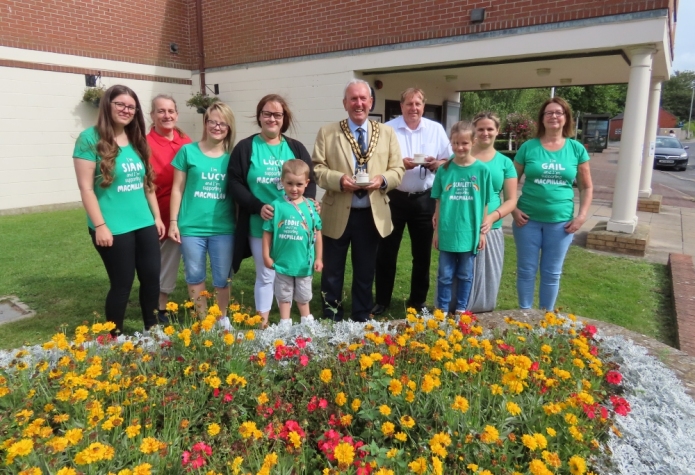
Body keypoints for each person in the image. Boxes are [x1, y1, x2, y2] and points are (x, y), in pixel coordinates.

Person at [72, 84, 165, 335]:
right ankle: (114, 337)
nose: (126, 110)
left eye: (131, 107)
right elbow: (86, 189)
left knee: (151, 279)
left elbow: (148, 184)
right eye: (120, 104)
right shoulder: (89, 139)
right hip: (112, 226)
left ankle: (152, 329)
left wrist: (156, 217)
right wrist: (100, 226)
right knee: (122, 284)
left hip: (143, 223)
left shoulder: (136, 140)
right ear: (107, 105)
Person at [312, 79, 404, 322]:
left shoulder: (386, 133)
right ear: (345, 103)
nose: (359, 103)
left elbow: (398, 169)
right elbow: (317, 169)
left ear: (371, 102)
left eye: (363, 98)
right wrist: (339, 179)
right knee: (332, 271)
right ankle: (332, 315)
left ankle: (361, 315)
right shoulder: (328, 132)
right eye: (353, 99)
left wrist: (383, 180)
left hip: (371, 214)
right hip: (337, 211)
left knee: (365, 271)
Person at [228, 94, 316, 327]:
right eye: (266, 113)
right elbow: (234, 182)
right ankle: (263, 322)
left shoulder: (295, 147)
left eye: (277, 114)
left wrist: (308, 205)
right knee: (267, 273)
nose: (271, 118)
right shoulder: (246, 147)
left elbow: (310, 180)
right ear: (259, 116)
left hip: (292, 228)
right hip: (260, 223)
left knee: (290, 272)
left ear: (284, 118)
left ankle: (291, 319)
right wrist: (257, 206)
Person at [372, 88, 451, 316]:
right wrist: (399, 165)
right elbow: (377, 162)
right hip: (394, 197)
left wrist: (437, 163)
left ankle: (418, 301)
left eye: (418, 104)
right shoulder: (388, 128)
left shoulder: (435, 129)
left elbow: (449, 158)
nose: (413, 108)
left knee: (422, 255)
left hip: (424, 199)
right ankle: (382, 301)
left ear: (423, 106)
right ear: (402, 105)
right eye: (409, 103)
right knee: (386, 252)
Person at [512, 97, 593, 310]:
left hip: (561, 223)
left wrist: (582, 216)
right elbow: (510, 182)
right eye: (549, 113)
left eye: (558, 112)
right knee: (526, 270)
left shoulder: (576, 149)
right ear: (542, 118)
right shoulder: (528, 147)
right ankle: (525, 316)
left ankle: (547, 319)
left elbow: (586, 187)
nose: (554, 116)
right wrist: (514, 209)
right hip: (526, 221)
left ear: (566, 118)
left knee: (552, 272)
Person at [169, 102, 236, 327]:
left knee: (222, 278)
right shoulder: (188, 151)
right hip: (191, 227)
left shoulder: (233, 157)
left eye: (222, 123)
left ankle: (222, 319)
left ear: (229, 127)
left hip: (223, 227)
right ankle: (203, 321)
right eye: (212, 122)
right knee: (195, 276)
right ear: (205, 123)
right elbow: (177, 189)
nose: (217, 127)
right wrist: (173, 222)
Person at [431, 121, 492, 313]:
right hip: (448, 231)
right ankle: (441, 308)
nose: (459, 147)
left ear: (473, 142)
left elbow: (484, 202)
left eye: (464, 143)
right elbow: (439, 201)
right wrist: (436, 231)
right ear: (451, 143)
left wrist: (482, 233)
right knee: (445, 275)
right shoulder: (444, 170)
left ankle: (461, 309)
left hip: (470, 232)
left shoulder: (482, 170)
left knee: (465, 274)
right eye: (455, 143)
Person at [465, 112, 518, 313]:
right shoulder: (460, 156)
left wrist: (492, 216)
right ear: (474, 131)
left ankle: (482, 315)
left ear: (497, 131)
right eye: (480, 129)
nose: (485, 133)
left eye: (490, 129)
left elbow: (511, 200)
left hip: (490, 228)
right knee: (457, 274)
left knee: (487, 276)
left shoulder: (505, 163)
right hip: (462, 227)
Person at [147, 94, 192, 323]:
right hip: (159, 213)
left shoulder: (185, 140)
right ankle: (159, 308)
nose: (167, 115)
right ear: (152, 115)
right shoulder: (145, 144)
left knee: (180, 260)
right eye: (161, 111)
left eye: (171, 111)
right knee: (163, 262)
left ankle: (185, 301)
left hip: (186, 214)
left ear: (177, 114)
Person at [262, 160, 323, 329]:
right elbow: (267, 232)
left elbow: (317, 233)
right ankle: (284, 323)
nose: (294, 189)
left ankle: (306, 322)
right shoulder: (276, 205)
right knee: (283, 294)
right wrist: (266, 256)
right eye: (289, 183)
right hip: (283, 262)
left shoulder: (311, 207)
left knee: (304, 294)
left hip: (304, 263)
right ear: (282, 181)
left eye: (299, 184)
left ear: (307, 184)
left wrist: (318, 258)